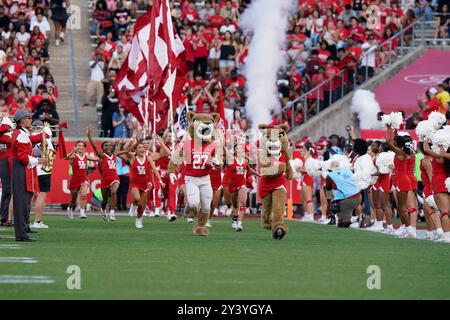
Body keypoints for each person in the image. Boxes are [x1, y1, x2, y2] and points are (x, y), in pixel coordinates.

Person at [11, 110, 49, 241]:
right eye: (28, 118)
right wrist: (38, 160)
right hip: (21, 168)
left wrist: (45, 133)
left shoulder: (22, 133)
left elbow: (33, 139)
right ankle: (21, 234)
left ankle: (24, 229)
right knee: (21, 202)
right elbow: (22, 157)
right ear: (22, 121)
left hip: (23, 168)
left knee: (25, 200)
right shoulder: (20, 134)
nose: (30, 120)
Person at [120, 140, 164, 229]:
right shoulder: (133, 158)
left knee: (141, 205)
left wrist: (160, 180)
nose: (142, 149)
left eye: (143, 147)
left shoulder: (148, 158)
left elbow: (154, 169)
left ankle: (139, 220)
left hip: (144, 184)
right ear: (135, 150)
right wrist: (134, 143)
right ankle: (133, 205)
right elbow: (125, 151)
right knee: (136, 198)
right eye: (139, 147)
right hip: (135, 184)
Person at [87, 128, 125, 221]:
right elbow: (94, 147)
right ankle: (103, 210)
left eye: (110, 145)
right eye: (106, 145)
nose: (109, 147)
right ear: (102, 148)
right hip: (105, 180)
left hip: (114, 178)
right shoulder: (102, 156)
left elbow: (126, 151)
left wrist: (136, 142)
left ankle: (112, 213)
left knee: (113, 192)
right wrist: (89, 135)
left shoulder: (115, 154)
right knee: (104, 201)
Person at [30, 120, 54, 229]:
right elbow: (50, 153)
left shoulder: (28, 136)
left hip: (31, 167)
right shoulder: (45, 137)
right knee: (41, 194)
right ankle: (37, 221)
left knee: (30, 195)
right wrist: (47, 128)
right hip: (43, 169)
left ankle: (24, 219)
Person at [65, 141, 97, 219]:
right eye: (79, 145)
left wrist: (101, 157)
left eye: (82, 146)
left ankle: (82, 212)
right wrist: (73, 151)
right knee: (73, 198)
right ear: (76, 147)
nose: (81, 147)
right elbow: (66, 157)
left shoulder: (86, 156)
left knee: (83, 195)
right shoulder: (74, 156)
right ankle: (69, 208)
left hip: (83, 179)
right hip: (75, 179)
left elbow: (96, 159)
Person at [325, 160, 362, 227]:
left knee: (341, 224)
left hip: (348, 199)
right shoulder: (347, 170)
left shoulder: (330, 175)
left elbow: (328, 188)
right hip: (358, 196)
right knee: (347, 217)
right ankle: (355, 219)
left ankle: (357, 218)